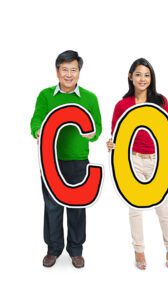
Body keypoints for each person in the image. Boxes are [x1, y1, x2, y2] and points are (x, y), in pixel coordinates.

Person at [106, 58, 168, 270]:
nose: (142, 79)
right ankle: (139, 251)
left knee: (163, 207)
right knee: (134, 209)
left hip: (158, 160)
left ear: (151, 78)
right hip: (133, 160)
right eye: (138, 74)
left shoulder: (160, 100)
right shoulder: (122, 104)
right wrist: (111, 144)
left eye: (147, 75)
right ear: (130, 76)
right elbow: (116, 133)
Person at [30, 50, 102, 269]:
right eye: (64, 70)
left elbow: (97, 127)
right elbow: (36, 121)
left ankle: (76, 250)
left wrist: (93, 134)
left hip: (79, 161)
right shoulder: (45, 95)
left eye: (73, 70)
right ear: (57, 71)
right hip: (50, 161)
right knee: (52, 206)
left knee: (77, 206)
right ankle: (53, 249)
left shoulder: (89, 97)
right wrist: (38, 132)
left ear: (79, 72)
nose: (69, 74)